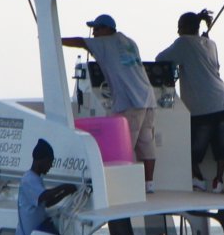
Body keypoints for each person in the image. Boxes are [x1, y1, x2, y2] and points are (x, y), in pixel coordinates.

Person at [62, 15, 157, 193]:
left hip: (131, 101)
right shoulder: (129, 41)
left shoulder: (105, 42)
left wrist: (55, 40)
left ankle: (126, 187)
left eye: (96, 29)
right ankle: (149, 184)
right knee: (146, 143)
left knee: (125, 143)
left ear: (106, 29)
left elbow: (80, 42)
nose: (94, 33)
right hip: (148, 97)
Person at [156, 9, 224, 193]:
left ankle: (198, 178)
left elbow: (160, 59)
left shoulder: (183, 43)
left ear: (186, 27)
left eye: (180, 27)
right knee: (222, 147)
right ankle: (219, 180)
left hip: (201, 105)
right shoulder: (211, 43)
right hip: (222, 100)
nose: (178, 31)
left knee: (190, 149)